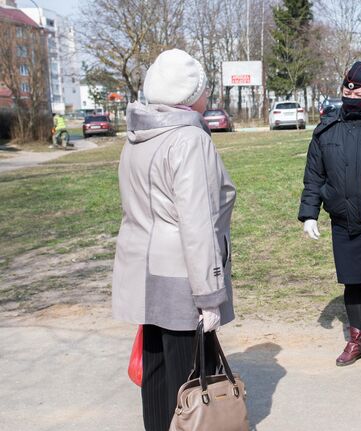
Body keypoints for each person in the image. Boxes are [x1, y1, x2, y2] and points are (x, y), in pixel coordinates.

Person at [111, 48, 237, 431]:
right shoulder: (188, 139)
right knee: (188, 380)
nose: (207, 95)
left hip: (142, 273)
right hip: (181, 277)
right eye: (204, 88)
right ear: (189, 94)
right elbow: (196, 223)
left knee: (157, 372)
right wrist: (209, 296)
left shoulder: (139, 134)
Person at [298, 61, 361, 370]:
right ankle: (357, 338)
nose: (350, 93)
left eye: (356, 89)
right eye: (346, 89)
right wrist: (309, 214)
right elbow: (314, 174)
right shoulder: (328, 128)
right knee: (352, 282)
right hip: (344, 220)